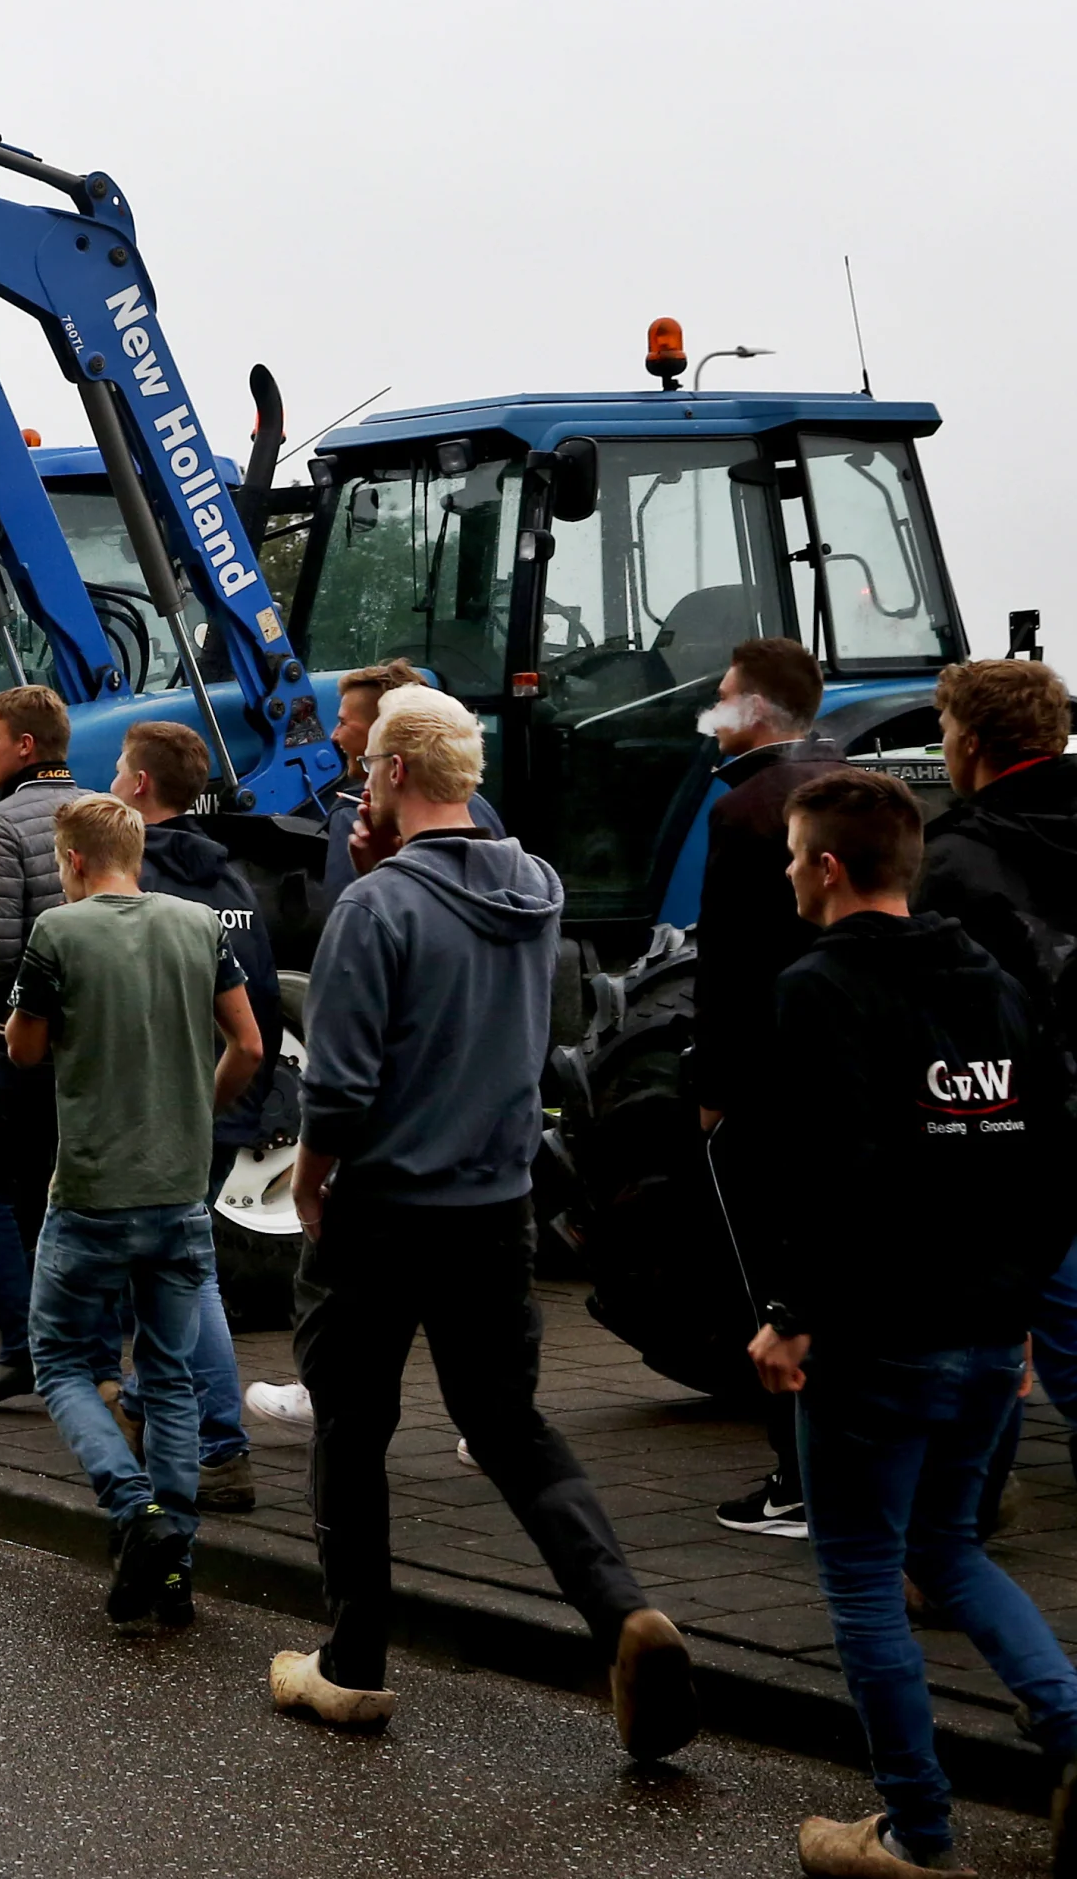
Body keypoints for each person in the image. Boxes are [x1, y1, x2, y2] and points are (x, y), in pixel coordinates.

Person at [273, 686, 695, 1757]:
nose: (361, 783)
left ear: (393, 774)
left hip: (378, 1211)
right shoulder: (537, 889)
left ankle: (352, 1664)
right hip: (495, 1209)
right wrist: (389, 867)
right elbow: (458, 946)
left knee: (352, 1427)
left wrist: (309, 1183)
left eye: (369, 768)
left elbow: (340, 1085)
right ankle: (623, 1612)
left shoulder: (374, 910)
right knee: (508, 1425)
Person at [741, 767, 1077, 1876]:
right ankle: (1073, 1731)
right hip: (988, 1336)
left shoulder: (818, 989)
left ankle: (916, 1831)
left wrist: (791, 1316)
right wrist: (1018, 1308)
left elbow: (826, 1174)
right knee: (948, 1548)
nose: (789, 875)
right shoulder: (995, 981)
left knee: (862, 1576)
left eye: (795, 857)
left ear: (831, 868)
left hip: (877, 1339)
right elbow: (1051, 1163)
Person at [8, 791, 262, 1628]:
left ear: (74, 860)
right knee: (173, 1376)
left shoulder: (58, 932)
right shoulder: (199, 926)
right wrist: (200, 1110)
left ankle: (134, 1507)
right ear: (137, 854)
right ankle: (175, 1570)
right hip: (179, 1190)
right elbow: (249, 1045)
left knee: (59, 1362)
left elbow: (24, 1049)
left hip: (92, 1192)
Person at [685, 634, 843, 1538]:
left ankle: (799, 1476)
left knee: (773, 1281)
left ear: (753, 710)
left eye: (722, 695)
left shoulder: (745, 810)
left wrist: (714, 1085)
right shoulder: (850, 786)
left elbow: (729, 962)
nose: (711, 711)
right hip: (848, 1078)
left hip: (768, 1086)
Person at [917, 659, 1077, 1507]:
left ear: (972, 743)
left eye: (946, 731)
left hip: (1014, 1117)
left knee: (1003, 1315)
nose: (943, 746)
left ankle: (967, 1510)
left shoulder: (954, 859)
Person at [107, 718, 275, 1514]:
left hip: (160, 1112)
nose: (112, 781)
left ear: (140, 785)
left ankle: (219, 1446)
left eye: (118, 770)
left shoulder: (138, 884)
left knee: (184, 1272)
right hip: (225, 1103)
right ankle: (143, 1404)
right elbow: (257, 1007)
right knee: (166, 1266)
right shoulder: (231, 879)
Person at [0, 685, 85, 1409]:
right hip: (87, 1042)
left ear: (25, 747)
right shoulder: (101, 812)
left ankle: (22, 1350)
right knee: (63, 1191)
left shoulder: (1, 824)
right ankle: (81, 1350)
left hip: (10, 1039)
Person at [318, 660, 505, 909]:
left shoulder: (357, 817)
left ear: (381, 732)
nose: (334, 736)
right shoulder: (476, 806)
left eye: (343, 723)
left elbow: (341, 915)